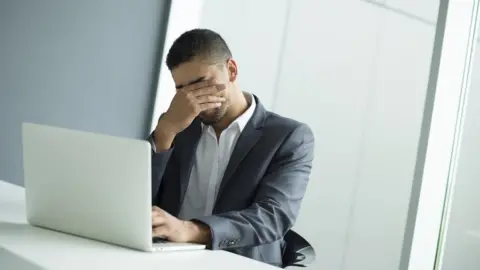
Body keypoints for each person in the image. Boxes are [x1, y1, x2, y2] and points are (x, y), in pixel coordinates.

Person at [149, 28, 315, 267]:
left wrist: (190, 230)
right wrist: (164, 133)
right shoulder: (178, 124)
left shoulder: (289, 137)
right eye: (181, 89)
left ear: (231, 71)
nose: (192, 98)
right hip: (168, 260)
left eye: (201, 84)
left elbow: (273, 217)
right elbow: (136, 199)